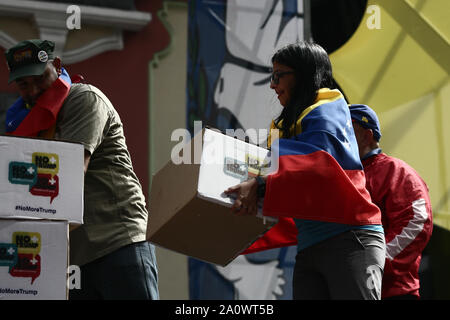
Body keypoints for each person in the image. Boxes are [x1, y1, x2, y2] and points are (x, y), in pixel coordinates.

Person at [224, 41, 386, 300]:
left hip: (350, 238)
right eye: (271, 76)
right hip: (309, 246)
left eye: (279, 75)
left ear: (303, 74)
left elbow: (318, 167)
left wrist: (260, 184)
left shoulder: (328, 112)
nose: (272, 85)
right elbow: (279, 174)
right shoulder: (283, 128)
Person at [3, 39, 158, 300]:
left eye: (40, 78)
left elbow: (68, 174)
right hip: (74, 256)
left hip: (117, 241)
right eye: (23, 85)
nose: (34, 90)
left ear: (57, 65)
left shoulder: (83, 98)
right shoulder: (27, 125)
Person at [349, 104, 433, 300]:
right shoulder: (344, 176)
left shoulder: (396, 171)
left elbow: (417, 222)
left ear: (367, 136)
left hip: (394, 292)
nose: (339, 138)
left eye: (347, 130)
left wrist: (375, 264)